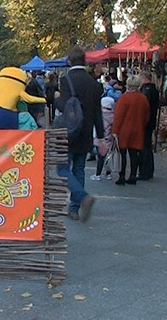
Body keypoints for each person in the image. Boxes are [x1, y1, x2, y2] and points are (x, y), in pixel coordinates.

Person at [54, 45, 103, 222]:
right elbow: (97, 112)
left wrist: (56, 99)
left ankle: (83, 197)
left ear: (69, 61)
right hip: (86, 132)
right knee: (79, 169)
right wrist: (101, 136)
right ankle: (74, 208)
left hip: (67, 132)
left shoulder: (66, 80)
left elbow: (65, 106)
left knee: (62, 169)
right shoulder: (93, 83)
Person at [112, 75, 150, 185]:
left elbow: (119, 116)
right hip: (138, 128)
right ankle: (133, 175)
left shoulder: (124, 98)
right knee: (134, 153)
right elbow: (146, 115)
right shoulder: (143, 98)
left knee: (122, 154)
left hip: (124, 129)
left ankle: (122, 176)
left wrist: (115, 131)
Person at [138, 71, 160, 180]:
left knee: (144, 146)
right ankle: (148, 170)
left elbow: (144, 107)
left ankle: (145, 171)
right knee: (146, 146)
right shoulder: (153, 89)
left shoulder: (146, 90)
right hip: (150, 121)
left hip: (145, 122)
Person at [90, 96, 114, 181]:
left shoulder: (101, 115)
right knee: (108, 157)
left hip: (100, 138)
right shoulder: (113, 115)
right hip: (109, 138)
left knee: (100, 157)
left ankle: (98, 174)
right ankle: (108, 173)